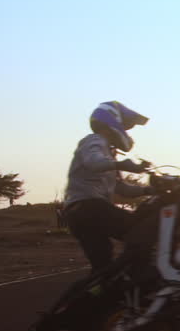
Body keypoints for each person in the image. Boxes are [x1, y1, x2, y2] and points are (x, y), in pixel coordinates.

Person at [62, 101, 153, 272]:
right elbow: (93, 162)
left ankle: (100, 288)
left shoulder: (108, 154)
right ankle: (138, 272)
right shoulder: (94, 140)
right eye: (125, 126)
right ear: (113, 121)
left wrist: (148, 190)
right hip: (89, 207)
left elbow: (122, 189)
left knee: (103, 265)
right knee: (141, 231)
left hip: (80, 213)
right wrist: (122, 165)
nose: (126, 131)